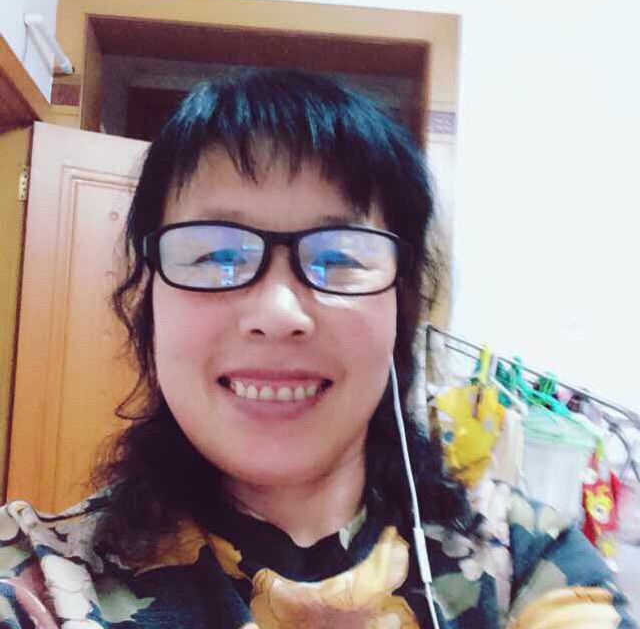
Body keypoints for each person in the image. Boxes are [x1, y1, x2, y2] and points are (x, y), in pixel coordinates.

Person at [0, 69, 635, 629]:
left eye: (339, 258)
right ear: (149, 302)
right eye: (216, 254)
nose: (278, 314)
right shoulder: (47, 582)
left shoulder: (523, 561)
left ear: (403, 307)